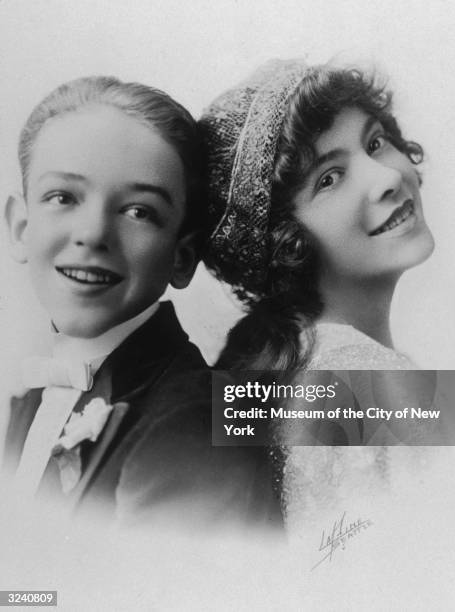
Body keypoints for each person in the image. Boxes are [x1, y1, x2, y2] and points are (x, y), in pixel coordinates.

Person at [3, 76, 280, 530]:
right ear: (20, 228)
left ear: (182, 257)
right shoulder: (30, 404)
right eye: (63, 197)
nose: (92, 233)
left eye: (139, 212)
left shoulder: (193, 421)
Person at [199, 59, 441, 534]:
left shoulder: (293, 362)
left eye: (375, 142)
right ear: (286, 242)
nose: (387, 178)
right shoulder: (367, 378)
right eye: (329, 178)